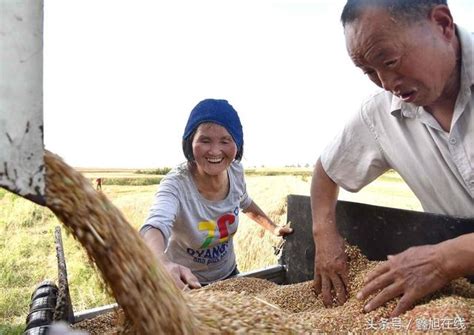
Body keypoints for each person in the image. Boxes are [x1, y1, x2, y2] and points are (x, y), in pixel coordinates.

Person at [311, 0, 474, 317]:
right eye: (369, 71)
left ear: (441, 24)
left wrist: (445, 258)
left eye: (390, 60)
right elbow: (327, 171)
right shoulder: (380, 113)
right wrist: (324, 235)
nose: (386, 83)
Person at [140, 99, 293, 289]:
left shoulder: (235, 172)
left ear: (237, 144)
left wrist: (274, 228)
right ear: (190, 142)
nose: (214, 151)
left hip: (228, 276)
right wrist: (161, 262)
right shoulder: (176, 184)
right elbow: (154, 225)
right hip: (187, 285)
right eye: (205, 140)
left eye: (225, 141)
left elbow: (244, 202)